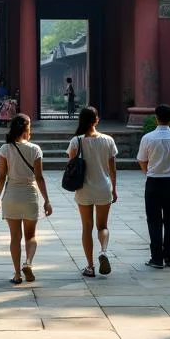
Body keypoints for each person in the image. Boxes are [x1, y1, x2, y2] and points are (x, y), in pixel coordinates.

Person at [0, 113, 52, 284]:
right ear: (27, 129)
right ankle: (29, 263)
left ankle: (17, 274)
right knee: (30, 236)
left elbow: (1, 177)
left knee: (15, 238)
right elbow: (39, 178)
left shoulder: (5, 149)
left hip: (11, 196)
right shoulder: (35, 149)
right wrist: (47, 200)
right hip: (30, 196)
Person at [66, 105, 118, 278]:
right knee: (102, 226)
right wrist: (114, 188)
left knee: (87, 227)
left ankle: (90, 266)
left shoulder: (76, 141)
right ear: (96, 120)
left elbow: (71, 164)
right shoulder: (108, 140)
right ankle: (103, 251)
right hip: (104, 187)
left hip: (84, 189)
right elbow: (112, 168)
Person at [137, 102, 170, 269]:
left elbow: (142, 160)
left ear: (156, 118)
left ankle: (156, 258)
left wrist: (148, 172)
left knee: (154, 220)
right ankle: (169, 257)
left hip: (153, 181)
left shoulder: (148, 138)